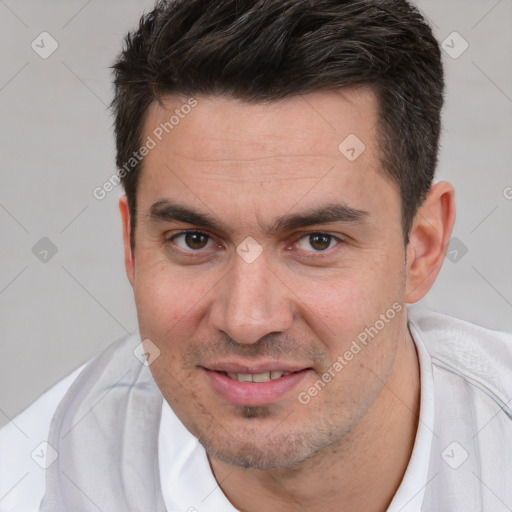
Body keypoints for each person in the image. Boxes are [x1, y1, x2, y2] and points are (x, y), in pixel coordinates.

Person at [1, 0, 511, 511]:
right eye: (194, 240)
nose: (246, 320)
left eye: (318, 241)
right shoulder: (28, 485)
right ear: (131, 246)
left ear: (421, 248)